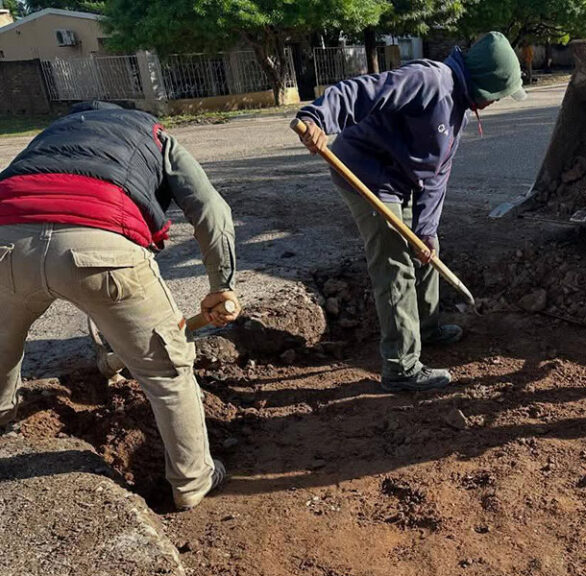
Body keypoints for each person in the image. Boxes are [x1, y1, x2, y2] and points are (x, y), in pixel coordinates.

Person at [0, 101, 240, 510]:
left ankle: (4, 427)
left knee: (2, 346)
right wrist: (223, 286)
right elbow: (211, 210)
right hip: (102, 244)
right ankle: (193, 481)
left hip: (5, 240)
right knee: (167, 369)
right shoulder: (154, 134)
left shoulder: (53, 133)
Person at [296, 32, 526, 393]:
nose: (496, 103)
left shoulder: (458, 107)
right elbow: (361, 90)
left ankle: (427, 328)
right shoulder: (429, 79)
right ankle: (401, 367)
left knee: (425, 252)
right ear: (485, 87)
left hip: (400, 180)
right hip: (365, 174)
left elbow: (437, 176)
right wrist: (317, 117)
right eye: (499, 95)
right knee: (395, 264)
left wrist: (428, 230)